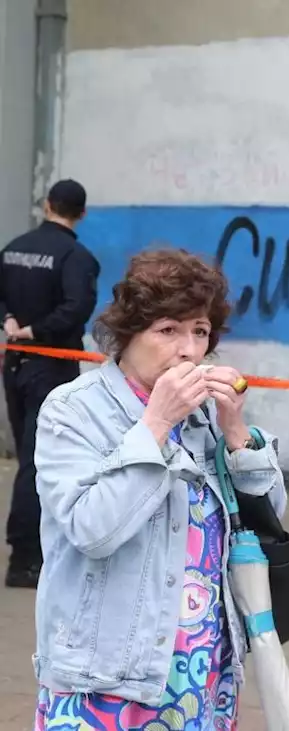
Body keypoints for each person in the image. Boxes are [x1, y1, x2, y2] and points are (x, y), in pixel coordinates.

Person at [30, 248, 288, 729]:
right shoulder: (73, 410)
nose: (189, 350)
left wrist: (236, 432)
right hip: (105, 675)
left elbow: (268, 524)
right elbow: (92, 529)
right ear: (127, 335)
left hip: (200, 669)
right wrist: (156, 425)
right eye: (168, 330)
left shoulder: (206, 414)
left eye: (200, 331)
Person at [0, 179, 101, 588]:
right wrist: (34, 330)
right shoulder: (77, 257)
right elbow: (77, 308)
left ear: (47, 205)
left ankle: (27, 548)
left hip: (15, 366)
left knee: (30, 455)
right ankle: (26, 557)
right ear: (82, 213)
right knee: (40, 459)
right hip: (50, 368)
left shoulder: (14, 247)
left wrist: (10, 324)